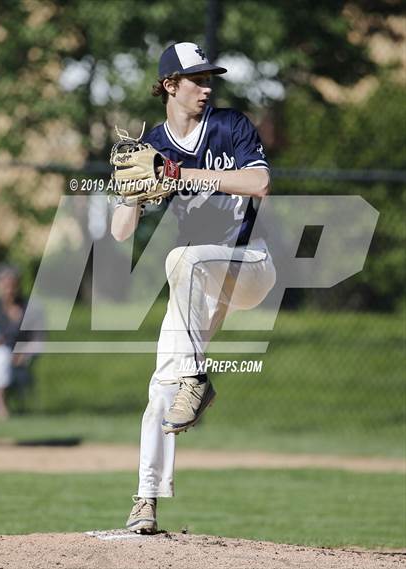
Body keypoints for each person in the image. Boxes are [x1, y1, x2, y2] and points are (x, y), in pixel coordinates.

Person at [111, 42, 276, 534]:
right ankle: (146, 499)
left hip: (249, 265)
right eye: (196, 79)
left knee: (181, 256)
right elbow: (120, 233)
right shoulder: (152, 147)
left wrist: (179, 174)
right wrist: (132, 193)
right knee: (163, 383)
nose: (207, 87)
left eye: (210, 79)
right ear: (169, 85)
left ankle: (197, 379)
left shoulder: (231, 125)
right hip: (196, 282)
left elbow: (259, 183)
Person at [0, 264, 43, 419]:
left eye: (11, 285)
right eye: (4, 285)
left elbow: (38, 340)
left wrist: (24, 353)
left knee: (1, 357)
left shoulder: (30, 309)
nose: (8, 289)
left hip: (15, 357)